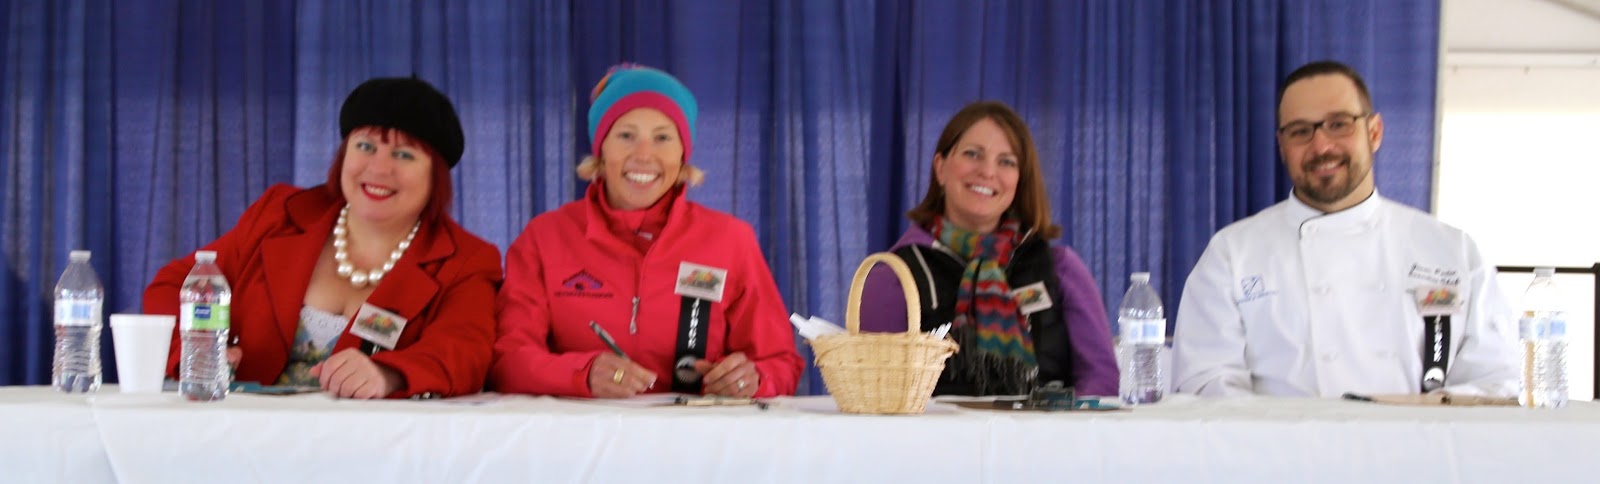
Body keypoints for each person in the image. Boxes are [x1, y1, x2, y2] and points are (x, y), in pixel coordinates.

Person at [1171, 60, 1519, 398]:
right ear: (1282, 146)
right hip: (1280, 454)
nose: (1321, 147)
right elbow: (1204, 380)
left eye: (1339, 124)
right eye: (1300, 131)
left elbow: (1496, 378)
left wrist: (1423, 412)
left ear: (1374, 132)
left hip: (1417, 451)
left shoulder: (1451, 250)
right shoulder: (1233, 253)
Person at [143, 78, 503, 399]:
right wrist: (195, 351)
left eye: (403, 154)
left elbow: (465, 352)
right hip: (244, 438)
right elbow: (175, 285)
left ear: (436, 177)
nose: (378, 168)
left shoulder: (467, 260)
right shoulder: (279, 214)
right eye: (365, 147)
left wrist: (390, 373)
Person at [490, 64, 803, 399]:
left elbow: (780, 363)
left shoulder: (730, 240)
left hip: (698, 443)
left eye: (662, 138)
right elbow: (508, 362)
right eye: (626, 135)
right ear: (601, 148)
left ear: (684, 154)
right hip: (579, 443)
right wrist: (581, 374)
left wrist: (753, 379)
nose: (643, 155)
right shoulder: (545, 237)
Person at [858, 100, 1119, 397]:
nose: (987, 171)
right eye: (973, 154)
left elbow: (1100, 378)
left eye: (1006, 161)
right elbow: (879, 394)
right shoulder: (893, 276)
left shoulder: (1061, 268)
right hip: (936, 442)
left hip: (1047, 439)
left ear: (1020, 181)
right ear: (940, 168)